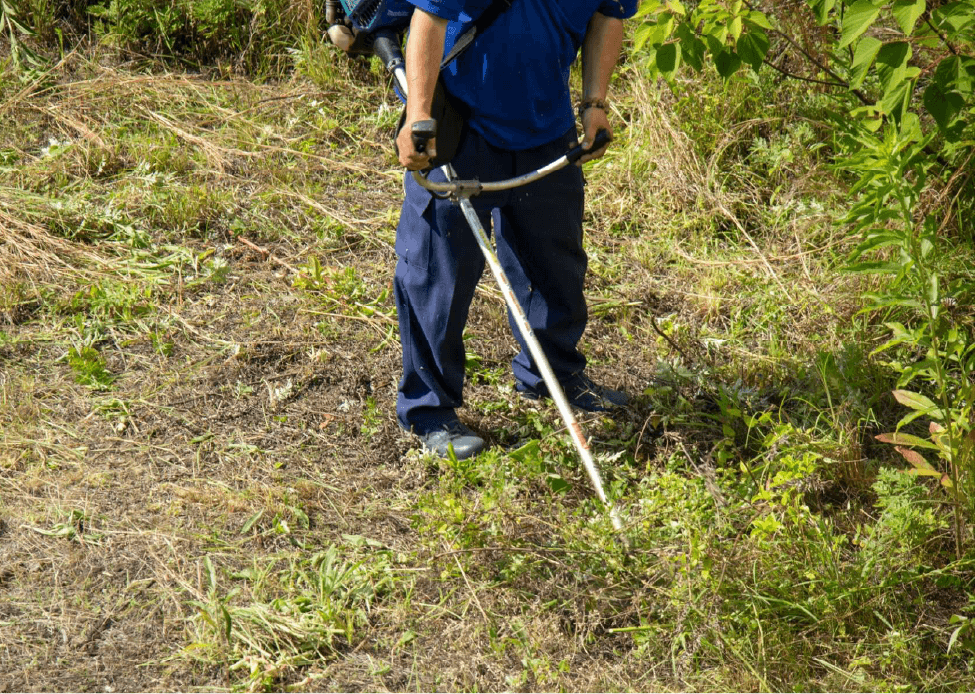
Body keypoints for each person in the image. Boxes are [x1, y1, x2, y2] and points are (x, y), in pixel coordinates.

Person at [394, 0, 636, 459]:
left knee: (555, 265)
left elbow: (609, 13)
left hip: (546, 127)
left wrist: (595, 102)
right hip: (461, 126)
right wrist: (419, 114)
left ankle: (552, 375)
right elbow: (431, 17)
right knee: (437, 275)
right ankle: (429, 412)